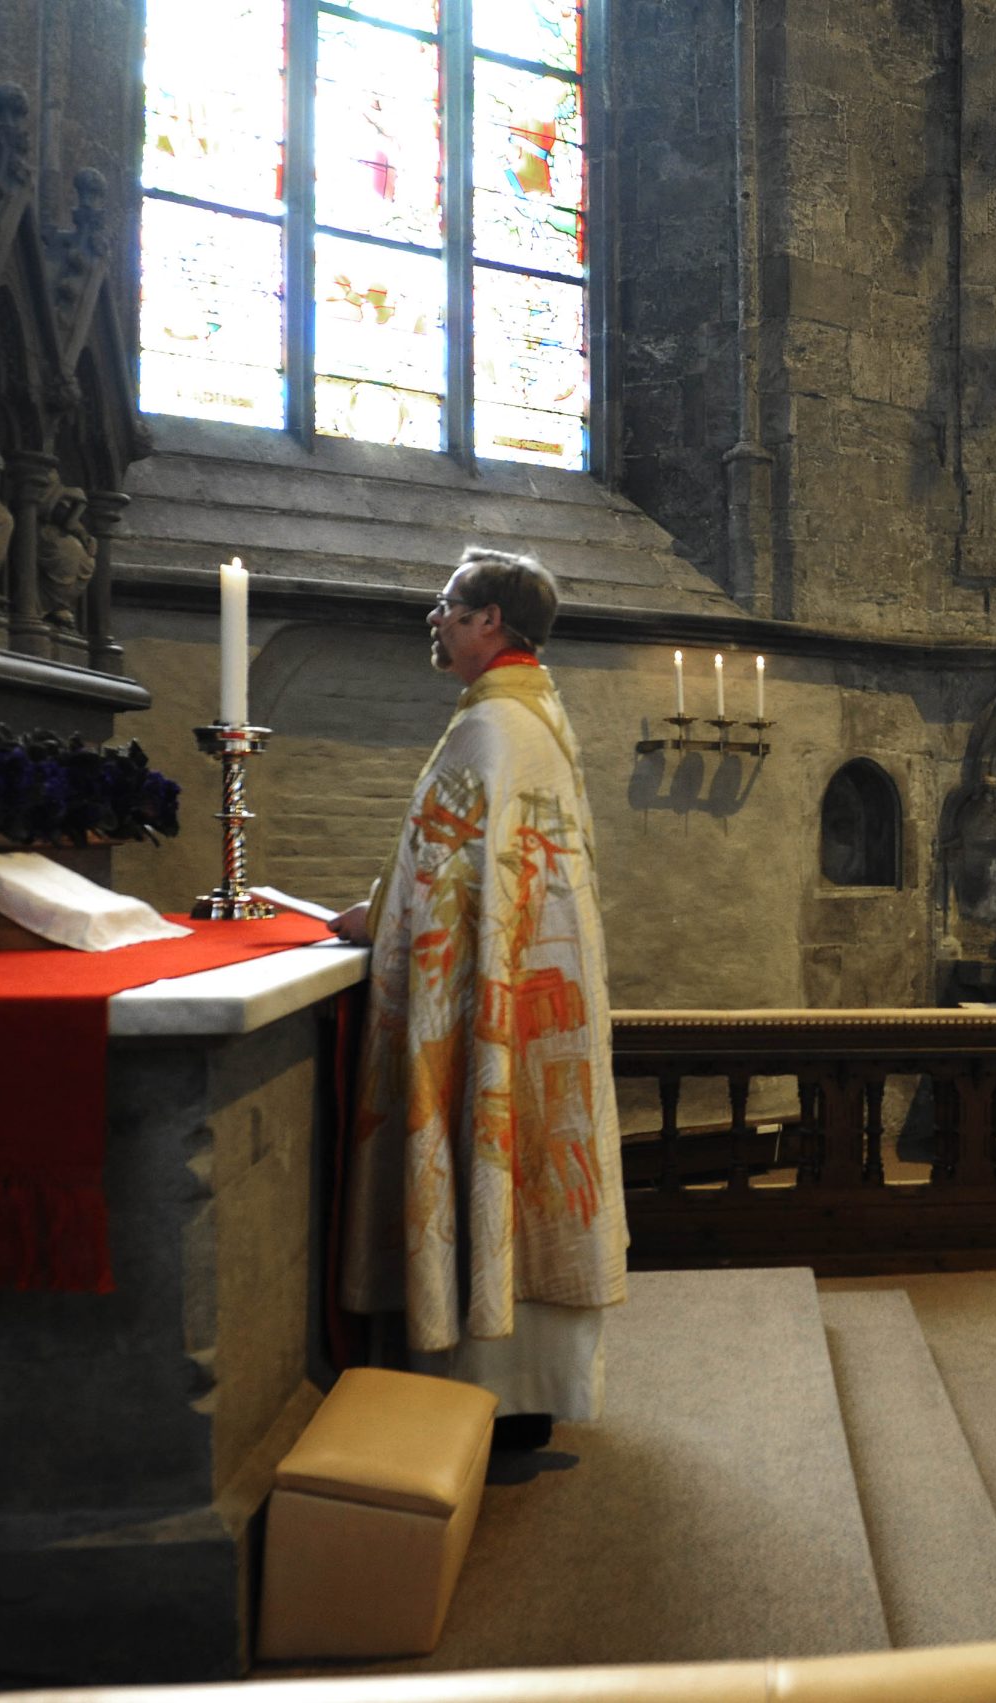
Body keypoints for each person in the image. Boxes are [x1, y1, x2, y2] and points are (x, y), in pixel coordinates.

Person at [333, 548, 629, 1434]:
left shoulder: (491, 726)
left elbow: (444, 873)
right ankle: (523, 1393)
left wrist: (379, 917)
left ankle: (483, 1396)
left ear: (488, 621)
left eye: (447, 605)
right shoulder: (535, 714)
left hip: (497, 997)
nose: (435, 618)